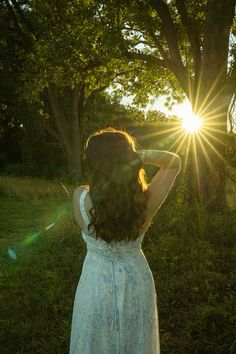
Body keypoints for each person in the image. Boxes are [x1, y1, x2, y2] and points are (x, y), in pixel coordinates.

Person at [69, 127, 181, 354]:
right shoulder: (145, 202)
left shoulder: (80, 197)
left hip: (96, 283)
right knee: (135, 340)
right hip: (136, 281)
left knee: (95, 340)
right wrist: (140, 156)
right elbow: (174, 162)